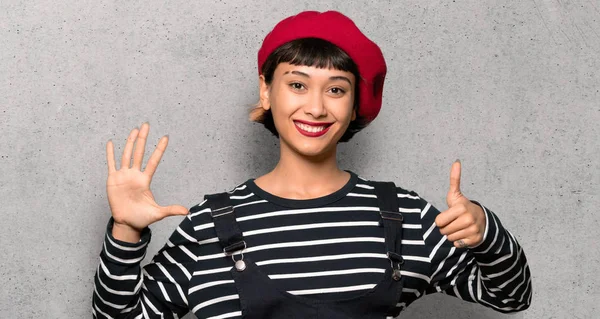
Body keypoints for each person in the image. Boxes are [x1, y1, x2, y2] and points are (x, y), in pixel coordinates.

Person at [92, 10, 532, 319]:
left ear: (357, 102)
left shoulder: (402, 215)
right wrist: (126, 232)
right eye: (297, 84)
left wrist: (485, 231)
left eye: (336, 89)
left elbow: (511, 296)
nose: (316, 107)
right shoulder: (209, 224)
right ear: (267, 92)